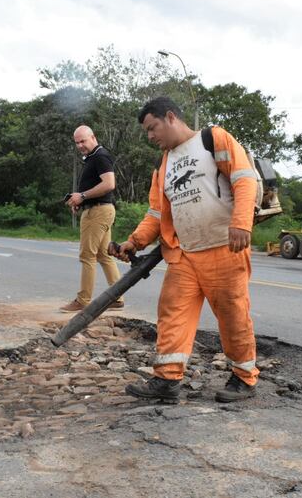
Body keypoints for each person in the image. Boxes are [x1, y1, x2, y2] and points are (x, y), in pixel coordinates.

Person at [109, 97, 259, 403]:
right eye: (147, 132)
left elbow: (244, 180)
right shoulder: (162, 164)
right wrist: (134, 242)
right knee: (172, 313)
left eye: (153, 128)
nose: (150, 136)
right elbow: (156, 213)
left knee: (232, 315)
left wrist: (242, 223)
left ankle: (244, 377)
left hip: (224, 247)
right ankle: (167, 380)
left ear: (171, 117)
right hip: (184, 253)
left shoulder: (212, 138)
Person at [60, 125, 124, 312]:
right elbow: (95, 186)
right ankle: (118, 297)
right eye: (77, 142)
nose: (80, 145)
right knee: (104, 255)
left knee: (87, 256)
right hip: (98, 209)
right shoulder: (92, 158)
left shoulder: (100, 156)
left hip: (98, 212)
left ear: (93, 137)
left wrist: (83, 196)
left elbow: (109, 184)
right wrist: (78, 200)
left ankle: (83, 300)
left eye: (83, 141)